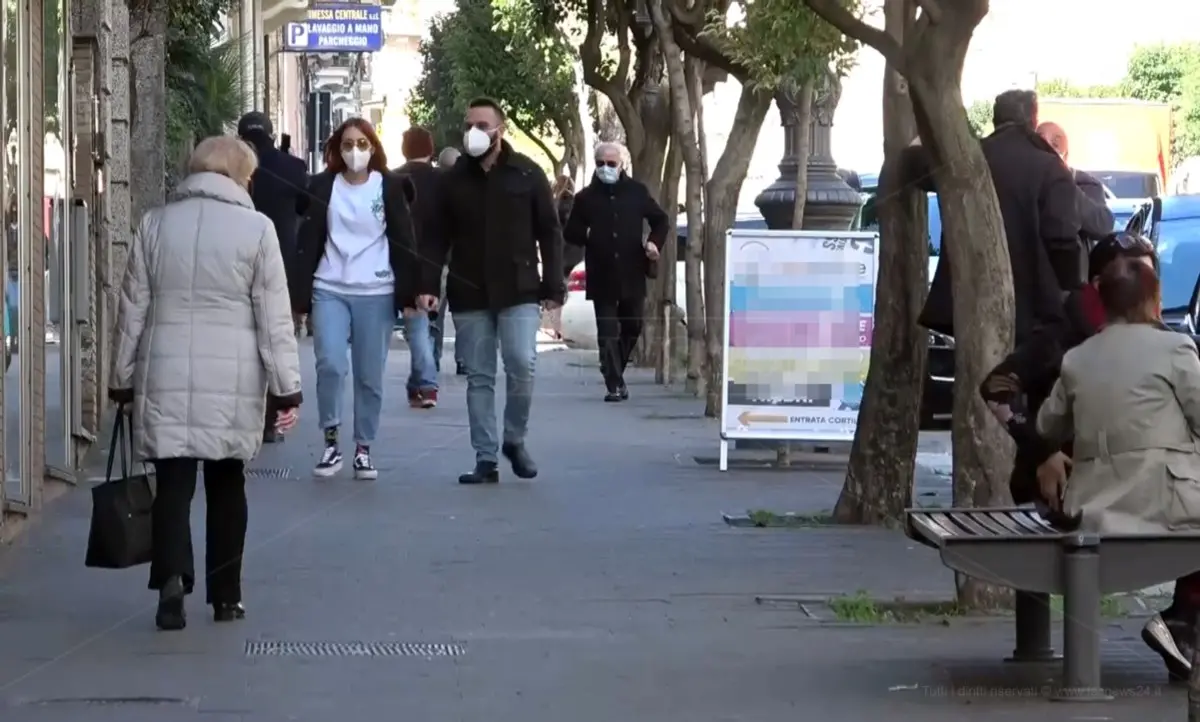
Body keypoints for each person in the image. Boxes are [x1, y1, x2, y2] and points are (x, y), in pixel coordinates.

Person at [107, 136, 303, 631]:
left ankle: (172, 583)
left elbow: (132, 309)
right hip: (232, 375)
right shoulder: (257, 230)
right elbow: (274, 317)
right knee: (226, 483)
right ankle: (226, 596)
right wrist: (286, 387)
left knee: (173, 483)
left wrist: (121, 379)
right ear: (241, 176)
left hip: (165, 369)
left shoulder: (155, 224)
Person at [1035, 254, 1200, 681]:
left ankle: (1184, 628)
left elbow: (1046, 423)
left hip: (1096, 507)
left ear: (1102, 304)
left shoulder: (1078, 358)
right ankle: (1183, 620)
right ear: (1155, 299)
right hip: (1166, 501)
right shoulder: (1175, 348)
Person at [421, 97, 565, 484]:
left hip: (518, 288)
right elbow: (435, 236)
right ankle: (485, 458)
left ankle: (514, 439)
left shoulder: (527, 174)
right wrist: (426, 285)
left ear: (500, 130)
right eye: (470, 124)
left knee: (521, 362)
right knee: (480, 375)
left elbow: (550, 233)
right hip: (470, 290)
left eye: (483, 125)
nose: (475, 132)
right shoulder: (452, 180)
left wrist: (554, 286)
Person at [290, 118, 423, 480]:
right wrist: (298, 295)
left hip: (376, 290)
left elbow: (404, 239)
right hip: (329, 286)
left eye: (362, 143)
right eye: (348, 144)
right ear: (337, 148)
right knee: (330, 364)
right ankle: (331, 442)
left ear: (373, 147)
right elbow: (307, 235)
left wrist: (411, 292)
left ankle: (364, 448)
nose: (355, 151)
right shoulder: (322, 186)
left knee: (369, 376)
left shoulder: (390, 186)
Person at [906, 89, 1083, 344]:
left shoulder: (966, 159)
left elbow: (913, 165)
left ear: (995, 120)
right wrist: (1070, 288)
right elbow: (1062, 239)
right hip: (1033, 308)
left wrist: (926, 131)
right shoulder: (1050, 167)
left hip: (971, 298)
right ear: (1033, 122)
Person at [563, 141, 669, 401]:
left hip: (632, 270)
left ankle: (613, 369)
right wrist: (587, 233)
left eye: (611, 164)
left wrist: (654, 243)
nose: (606, 168)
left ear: (622, 165)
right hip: (601, 272)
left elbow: (660, 220)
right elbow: (570, 231)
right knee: (607, 331)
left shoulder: (636, 192)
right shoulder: (585, 197)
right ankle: (613, 384)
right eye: (601, 163)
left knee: (633, 327)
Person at [237, 112, 311, 443]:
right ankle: (269, 420)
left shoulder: (233, 166)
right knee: (275, 338)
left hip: (236, 260)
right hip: (280, 264)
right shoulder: (293, 168)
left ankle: (242, 415)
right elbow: (304, 207)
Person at [392, 126, 442, 409]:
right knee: (423, 325)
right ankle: (425, 383)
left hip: (399, 261)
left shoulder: (392, 179)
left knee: (416, 325)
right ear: (431, 149)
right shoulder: (442, 182)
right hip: (434, 261)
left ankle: (421, 383)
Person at [1036, 122, 1115, 243]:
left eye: (1055, 145)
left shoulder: (1086, 184)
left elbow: (1103, 226)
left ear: (1065, 155)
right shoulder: (1026, 182)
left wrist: (1064, 185)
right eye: (1039, 146)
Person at [432, 146, 464, 375]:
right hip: (461, 262)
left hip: (441, 262)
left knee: (436, 317)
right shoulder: (467, 187)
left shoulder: (433, 190)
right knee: (464, 314)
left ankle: (433, 359)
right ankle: (463, 359)